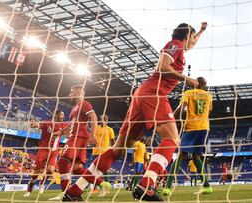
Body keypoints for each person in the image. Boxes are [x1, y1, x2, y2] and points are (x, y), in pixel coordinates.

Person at [63, 22, 207, 202]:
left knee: (119, 149)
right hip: (154, 94)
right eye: (191, 37)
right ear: (186, 36)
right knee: (173, 139)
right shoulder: (175, 45)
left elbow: (192, 43)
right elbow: (162, 67)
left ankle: (74, 191)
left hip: (142, 95)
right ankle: (146, 186)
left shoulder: (180, 48)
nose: (193, 42)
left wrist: (201, 31)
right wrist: (186, 78)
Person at [49, 84, 100, 201]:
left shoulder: (84, 104)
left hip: (79, 137)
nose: (69, 94)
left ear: (78, 92)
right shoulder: (74, 108)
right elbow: (71, 124)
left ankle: (67, 193)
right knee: (77, 168)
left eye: (71, 92)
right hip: (76, 137)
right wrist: (60, 132)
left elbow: (93, 117)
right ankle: (101, 183)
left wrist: (93, 134)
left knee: (62, 162)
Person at [163, 77, 213, 195]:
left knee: (180, 155)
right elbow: (208, 111)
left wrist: (171, 118)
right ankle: (207, 186)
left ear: (197, 83)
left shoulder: (189, 93)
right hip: (204, 127)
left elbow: (181, 107)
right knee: (196, 156)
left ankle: (168, 187)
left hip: (191, 127)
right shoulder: (208, 96)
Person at [24, 110, 69, 197]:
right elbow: (36, 125)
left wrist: (69, 132)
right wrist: (32, 124)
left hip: (54, 150)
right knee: (36, 172)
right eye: (61, 114)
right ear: (56, 115)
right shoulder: (46, 123)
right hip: (43, 150)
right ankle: (29, 189)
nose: (63, 116)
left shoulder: (63, 125)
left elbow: (66, 132)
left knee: (51, 170)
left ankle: (42, 183)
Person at [91, 115, 115, 196]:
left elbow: (113, 141)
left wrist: (113, 151)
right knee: (94, 171)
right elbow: (92, 138)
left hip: (105, 152)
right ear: (100, 120)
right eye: (103, 119)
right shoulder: (95, 128)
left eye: (106, 119)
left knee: (105, 170)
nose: (105, 120)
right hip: (95, 152)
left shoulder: (110, 129)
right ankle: (94, 188)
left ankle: (107, 187)